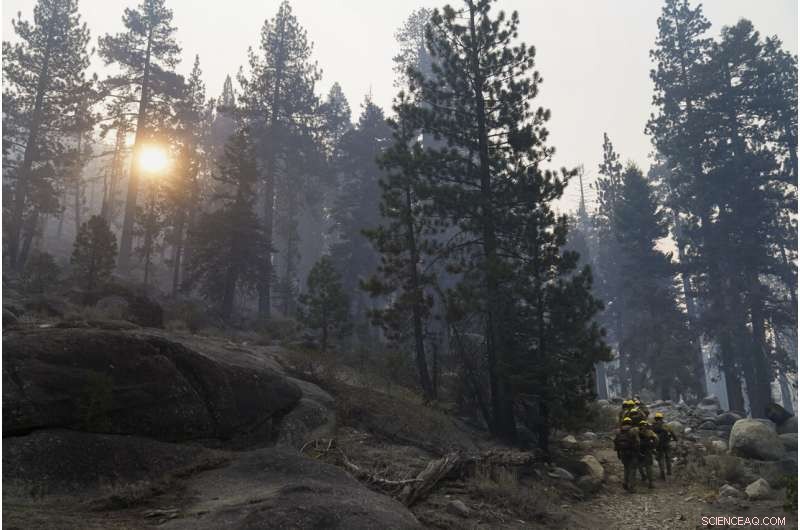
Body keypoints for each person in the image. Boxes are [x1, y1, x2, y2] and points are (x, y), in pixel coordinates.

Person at [614, 416, 640, 492]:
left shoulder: (619, 431)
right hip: (632, 453)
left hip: (622, 453)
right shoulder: (633, 430)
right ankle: (632, 487)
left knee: (626, 468)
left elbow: (616, 442)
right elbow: (638, 442)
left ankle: (625, 482)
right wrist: (638, 451)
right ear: (630, 422)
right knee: (632, 470)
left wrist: (618, 453)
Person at [651, 412, 678, 479]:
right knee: (668, 458)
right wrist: (675, 439)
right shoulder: (666, 425)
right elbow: (672, 433)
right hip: (667, 444)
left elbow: (650, 435)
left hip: (658, 445)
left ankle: (662, 472)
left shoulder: (653, 426)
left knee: (660, 459)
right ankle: (669, 471)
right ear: (661, 418)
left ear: (656, 418)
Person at [637, 419, 657, 489]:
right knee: (649, 467)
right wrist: (653, 446)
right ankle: (651, 483)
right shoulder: (650, 432)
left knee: (639, 465)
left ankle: (643, 476)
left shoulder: (636, 432)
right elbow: (656, 439)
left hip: (639, 451)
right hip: (648, 451)